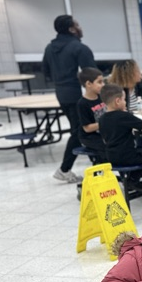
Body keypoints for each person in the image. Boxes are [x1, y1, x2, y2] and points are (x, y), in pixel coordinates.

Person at [43, 14, 96, 184]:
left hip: (61, 93)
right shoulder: (78, 47)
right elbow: (93, 75)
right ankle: (64, 169)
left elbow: (46, 72)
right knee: (81, 130)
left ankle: (95, 165)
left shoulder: (49, 48)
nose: (80, 27)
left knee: (79, 130)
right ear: (71, 28)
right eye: (77, 24)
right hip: (76, 95)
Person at [97, 83, 142, 193]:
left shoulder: (102, 119)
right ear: (117, 101)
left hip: (110, 156)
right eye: (124, 100)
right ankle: (133, 178)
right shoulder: (123, 116)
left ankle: (131, 178)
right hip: (127, 156)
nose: (125, 102)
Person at [76, 67, 107, 163]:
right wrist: (107, 122)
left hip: (102, 132)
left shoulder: (102, 97)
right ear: (88, 84)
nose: (103, 85)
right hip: (89, 137)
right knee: (107, 147)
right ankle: (102, 170)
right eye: (99, 82)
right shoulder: (82, 104)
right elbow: (87, 128)